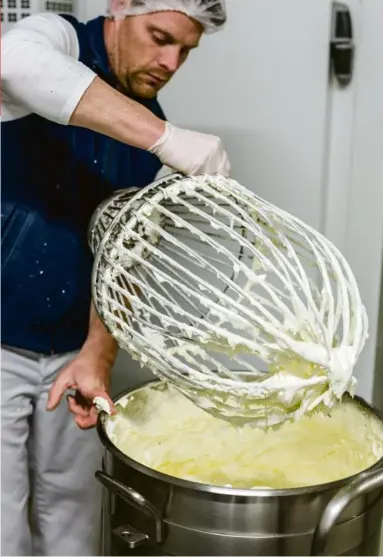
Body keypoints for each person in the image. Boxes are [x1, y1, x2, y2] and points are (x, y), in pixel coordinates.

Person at [1, 0, 229, 554]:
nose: (170, 61)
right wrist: (166, 139)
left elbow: (126, 256)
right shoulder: (57, 39)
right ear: (121, 7)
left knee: (76, 522)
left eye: (185, 50)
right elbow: (12, 62)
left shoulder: (147, 118)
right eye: (159, 36)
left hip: (72, 355)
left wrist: (98, 356)